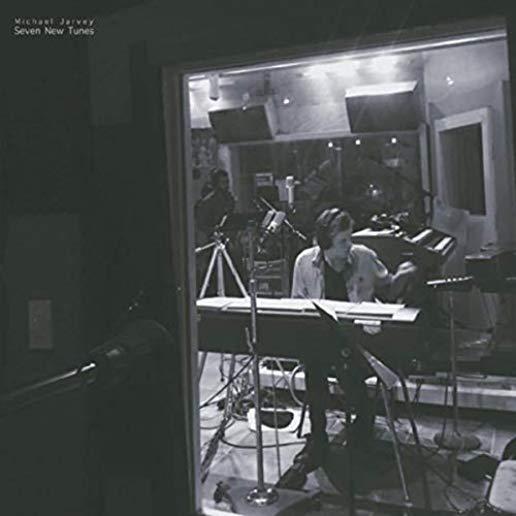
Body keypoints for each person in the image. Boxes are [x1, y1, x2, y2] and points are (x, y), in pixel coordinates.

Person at [278, 207, 417, 488]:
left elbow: (389, 288)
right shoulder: (304, 262)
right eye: (342, 241)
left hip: (360, 342)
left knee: (350, 372)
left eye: (349, 238)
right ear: (324, 243)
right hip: (322, 342)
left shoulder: (363, 256)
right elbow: (296, 307)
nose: (349, 246)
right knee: (315, 368)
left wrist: (404, 275)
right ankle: (319, 439)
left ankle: (362, 432)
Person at [195, 168, 235, 238]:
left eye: (227, 182)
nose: (226, 185)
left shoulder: (230, 199)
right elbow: (201, 225)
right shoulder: (207, 202)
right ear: (216, 184)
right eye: (223, 183)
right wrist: (214, 231)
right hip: (212, 238)